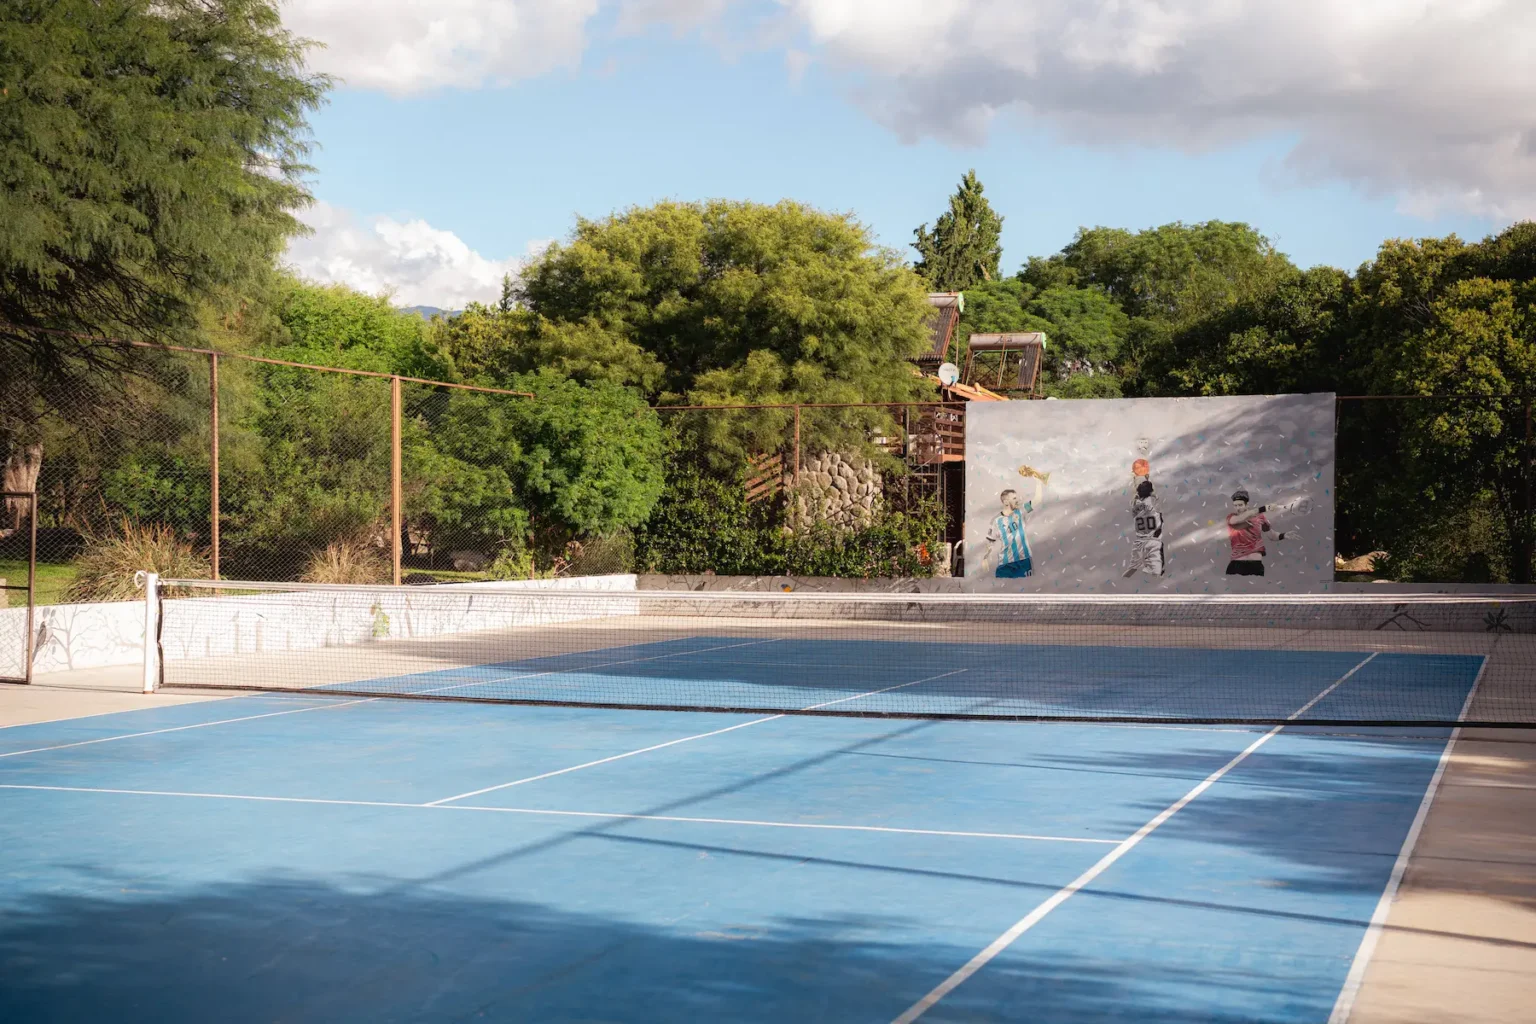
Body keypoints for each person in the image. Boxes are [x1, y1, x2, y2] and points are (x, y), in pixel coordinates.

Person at [988, 470, 1044, 578]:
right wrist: (986, 557)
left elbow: (1037, 499)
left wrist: (1038, 483)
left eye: (1016, 498)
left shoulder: (1021, 512)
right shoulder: (996, 521)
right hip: (1005, 564)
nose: (1017, 500)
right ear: (1005, 502)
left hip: (1024, 561)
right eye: (1014, 498)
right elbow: (990, 541)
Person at [1225, 489, 1286, 576]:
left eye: (1240, 505)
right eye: (1235, 505)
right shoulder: (1231, 517)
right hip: (1236, 563)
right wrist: (1263, 508)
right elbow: (1237, 520)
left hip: (1255, 564)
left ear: (1247, 505)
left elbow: (1272, 536)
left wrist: (1284, 535)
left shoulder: (1260, 517)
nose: (1238, 508)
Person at [1128, 479, 1167, 576]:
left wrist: (1137, 496)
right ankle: (1154, 568)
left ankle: (1136, 563)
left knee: (1135, 561)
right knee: (1157, 567)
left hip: (1139, 541)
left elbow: (1134, 502)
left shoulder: (1135, 507)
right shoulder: (1154, 504)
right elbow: (1156, 502)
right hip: (1154, 540)